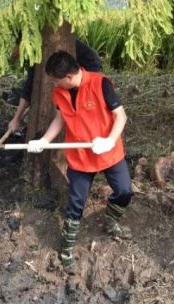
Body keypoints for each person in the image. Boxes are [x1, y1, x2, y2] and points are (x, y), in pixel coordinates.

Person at [27, 50, 131, 273]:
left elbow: (121, 116)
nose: (53, 84)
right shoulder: (59, 93)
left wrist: (110, 140)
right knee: (76, 203)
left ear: (69, 77)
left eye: (55, 80)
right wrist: (44, 140)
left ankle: (110, 221)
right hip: (80, 156)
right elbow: (61, 118)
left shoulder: (101, 83)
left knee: (124, 191)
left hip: (108, 152)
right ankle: (67, 248)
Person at [8, 38, 102, 133]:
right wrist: (17, 118)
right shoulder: (33, 50)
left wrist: (17, 119)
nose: (14, 55)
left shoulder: (38, 47)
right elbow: (28, 88)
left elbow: (28, 89)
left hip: (89, 64)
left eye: (12, 50)